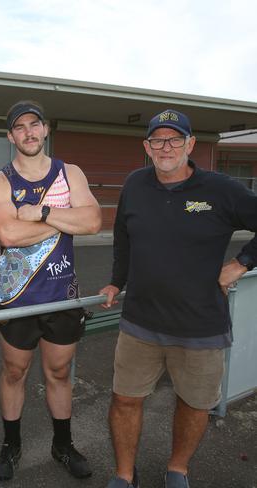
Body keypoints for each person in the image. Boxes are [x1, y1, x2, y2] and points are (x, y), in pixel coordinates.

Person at [99, 108, 257, 488]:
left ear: (190, 144)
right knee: (125, 400)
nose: (165, 147)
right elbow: (123, 239)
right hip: (140, 323)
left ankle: (178, 469)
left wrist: (240, 264)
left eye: (174, 139)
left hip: (200, 326)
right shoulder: (135, 185)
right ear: (146, 146)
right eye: (157, 140)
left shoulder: (220, 190)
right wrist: (116, 282)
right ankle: (124, 476)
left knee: (194, 404)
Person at [0, 100, 102, 481]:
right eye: (20, 127)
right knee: (14, 372)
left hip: (62, 295)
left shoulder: (70, 174)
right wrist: (67, 222)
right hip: (17, 298)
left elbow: (94, 221)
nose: (29, 132)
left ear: (46, 129)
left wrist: (45, 213)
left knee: (59, 371)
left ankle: (62, 445)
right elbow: (8, 233)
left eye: (34, 124)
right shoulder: (1, 180)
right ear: (10, 136)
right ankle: (11, 444)